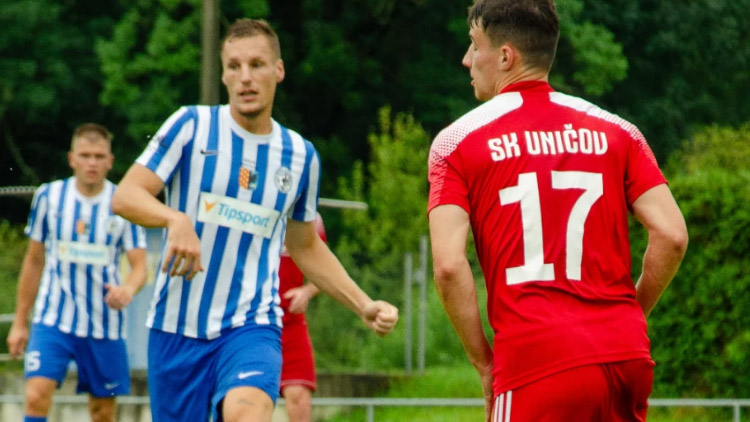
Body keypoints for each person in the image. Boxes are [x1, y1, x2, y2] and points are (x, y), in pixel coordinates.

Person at [110, 18, 399, 422]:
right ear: (224, 74)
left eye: (257, 65)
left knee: (249, 413)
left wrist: (363, 304)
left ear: (278, 71)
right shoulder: (191, 126)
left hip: (251, 325)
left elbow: (306, 245)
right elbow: (125, 195)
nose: (245, 77)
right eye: (234, 66)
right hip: (176, 330)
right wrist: (175, 219)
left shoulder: (300, 156)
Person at [427, 1, 689, 421]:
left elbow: (448, 266)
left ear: (506, 56)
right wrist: (630, 317)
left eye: (474, 46)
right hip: (625, 356)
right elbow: (673, 235)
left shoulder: (456, 142)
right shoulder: (619, 131)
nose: (466, 59)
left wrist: (483, 362)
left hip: (537, 364)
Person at [6, 123, 148, 422]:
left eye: (99, 156)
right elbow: (34, 260)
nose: (92, 163)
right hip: (53, 318)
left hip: (103, 324)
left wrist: (128, 290)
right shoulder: (49, 197)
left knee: (103, 411)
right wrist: (20, 322)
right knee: (36, 393)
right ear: (72, 159)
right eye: (85, 155)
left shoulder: (123, 202)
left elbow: (140, 267)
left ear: (110, 161)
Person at [278, 213, 326, 422]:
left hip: (291, 322)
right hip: (246, 320)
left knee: (299, 396)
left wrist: (307, 291)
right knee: (250, 398)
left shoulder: (310, 218)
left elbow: (325, 269)